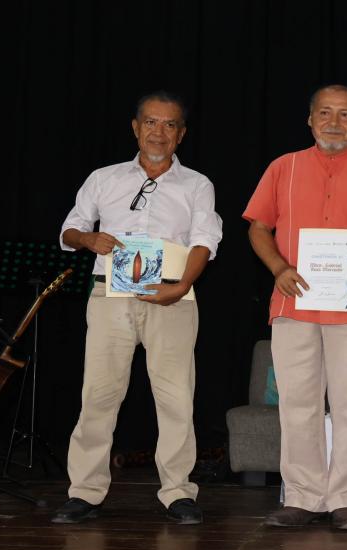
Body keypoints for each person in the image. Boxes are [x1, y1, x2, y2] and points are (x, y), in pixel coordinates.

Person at [53, 91, 223, 525]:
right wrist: (89, 240)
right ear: (135, 127)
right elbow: (71, 228)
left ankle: (178, 492)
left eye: (169, 125)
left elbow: (206, 240)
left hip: (172, 295)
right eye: (151, 122)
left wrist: (183, 285)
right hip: (110, 294)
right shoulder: (104, 177)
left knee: (176, 397)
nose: (159, 132)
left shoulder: (197, 184)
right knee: (99, 394)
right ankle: (86, 491)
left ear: (181, 134)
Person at [243, 84, 347, 531]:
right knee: (298, 405)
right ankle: (302, 497)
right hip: (294, 304)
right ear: (310, 119)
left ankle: (346, 499)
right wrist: (277, 267)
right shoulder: (283, 168)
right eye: (325, 113)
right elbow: (258, 227)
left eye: (345, 115)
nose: (334, 123)